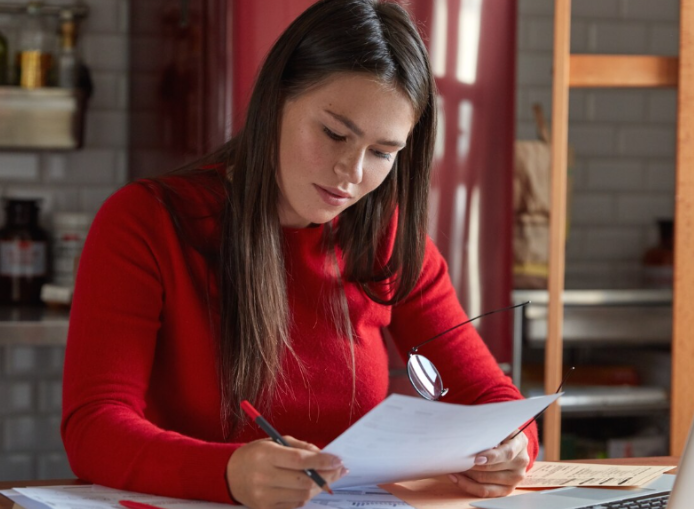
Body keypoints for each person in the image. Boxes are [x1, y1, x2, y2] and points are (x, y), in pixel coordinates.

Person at [61, 1, 538, 508]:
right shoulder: (145, 222)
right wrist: (227, 473)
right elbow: (93, 426)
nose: (351, 172)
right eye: (335, 133)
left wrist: (513, 449)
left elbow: (498, 404)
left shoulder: (389, 240)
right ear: (277, 99)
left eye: (382, 152)